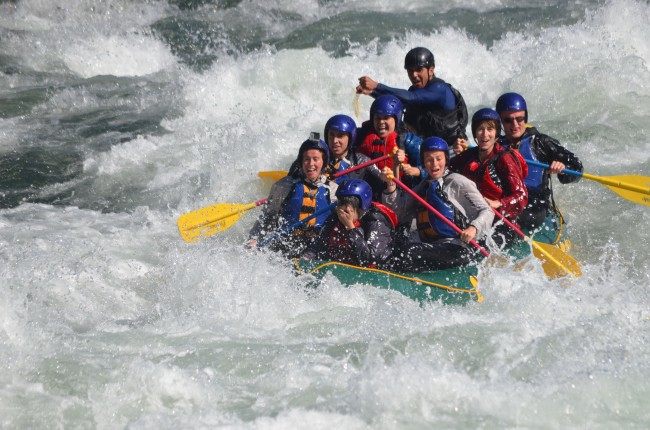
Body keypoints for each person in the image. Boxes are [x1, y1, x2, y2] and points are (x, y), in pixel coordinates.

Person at [379, 137, 494, 271]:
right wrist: (390, 184)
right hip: (431, 245)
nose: (434, 164)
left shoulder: (457, 182)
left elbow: (487, 211)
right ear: (423, 162)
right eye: (429, 159)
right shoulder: (424, 185)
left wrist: (474, 228)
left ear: (446, 160)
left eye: (439, 159)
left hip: (457, 248)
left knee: (408, 253)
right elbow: (398, 213)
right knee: (395, 243)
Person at [356, 47, 469, 154]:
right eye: (410, 70)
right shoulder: (415, 91)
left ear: (431, 70)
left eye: (419, 69)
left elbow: (411, 98)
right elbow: (400, 104)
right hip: (422, 147)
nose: (414, 75)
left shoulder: (440, 89)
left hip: (448, 150)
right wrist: (371, 92)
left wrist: (376, 86)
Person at [496, 92, 583, 230]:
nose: (515, 124)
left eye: (519, 119)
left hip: (534, 206)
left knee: (515, 218)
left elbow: (577, 168)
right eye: (508, 120)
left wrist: (563, 168)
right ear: (500, 121)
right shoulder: (495, 145)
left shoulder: (541, 143)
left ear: (526, 118)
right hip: (506, 201)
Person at [248, 134, 338, 258]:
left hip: (316, 249)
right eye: (306, 159)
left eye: (315, 159)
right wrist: (255, 238)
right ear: (301, 161)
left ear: (323, 162)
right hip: (285, 246)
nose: (310, 164)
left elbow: (334, 227)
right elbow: (267, 217)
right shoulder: (285, 186)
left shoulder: (333, 190)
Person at [449, 108, 528, 242]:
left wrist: (498, 203)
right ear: (474, 132)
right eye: (480, 129)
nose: (485, 134)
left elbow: (522, 196)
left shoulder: (505, 159)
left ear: (496, 132)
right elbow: (445, 169)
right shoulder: (468, 156)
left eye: (490, 129)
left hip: (501, 224)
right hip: (474, 217)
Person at [303, 179, 397, 267]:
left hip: (371, 272)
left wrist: (351, 228)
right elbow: (319, 243)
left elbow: (369, 258)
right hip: (341, 266)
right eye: (340, 204)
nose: (342, 213)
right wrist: (306, 258)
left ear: (360, 208)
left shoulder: (377, 222)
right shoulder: (336, 215)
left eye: (347, 208)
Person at [355, 95, 424, 190]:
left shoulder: (408, 140)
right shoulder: (362, 135)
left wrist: (417, 171)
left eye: (386, 118)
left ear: (397, 119)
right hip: (368, 189)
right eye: (377, 118)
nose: (381, 122)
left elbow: (430, 167)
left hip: (400, 191)